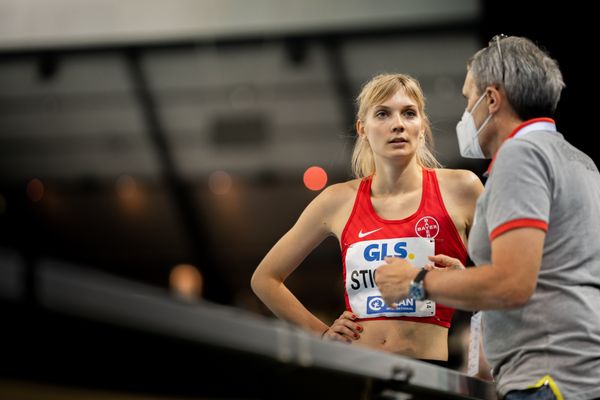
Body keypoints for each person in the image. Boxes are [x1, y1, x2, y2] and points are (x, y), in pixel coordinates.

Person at [375, 35, 600, 399]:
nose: (468, 113)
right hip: (579, 370)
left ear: (492, 99)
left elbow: (512, 284)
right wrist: (467, 281)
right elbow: (553, 273)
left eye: (468, 99)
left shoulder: (520, 156)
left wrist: (415, 281)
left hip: (546, 378)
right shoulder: (578, 160)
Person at [251, 73, 483, 364]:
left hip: (428, 372)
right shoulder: (337, 201)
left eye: (409, 113)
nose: (398, 124)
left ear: (422, 126)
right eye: (383, 114)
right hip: (358, 371)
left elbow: (508, 280)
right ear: (362, 128)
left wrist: (463, 282)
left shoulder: (462, 188)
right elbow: (265, 279)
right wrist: (321, 335)